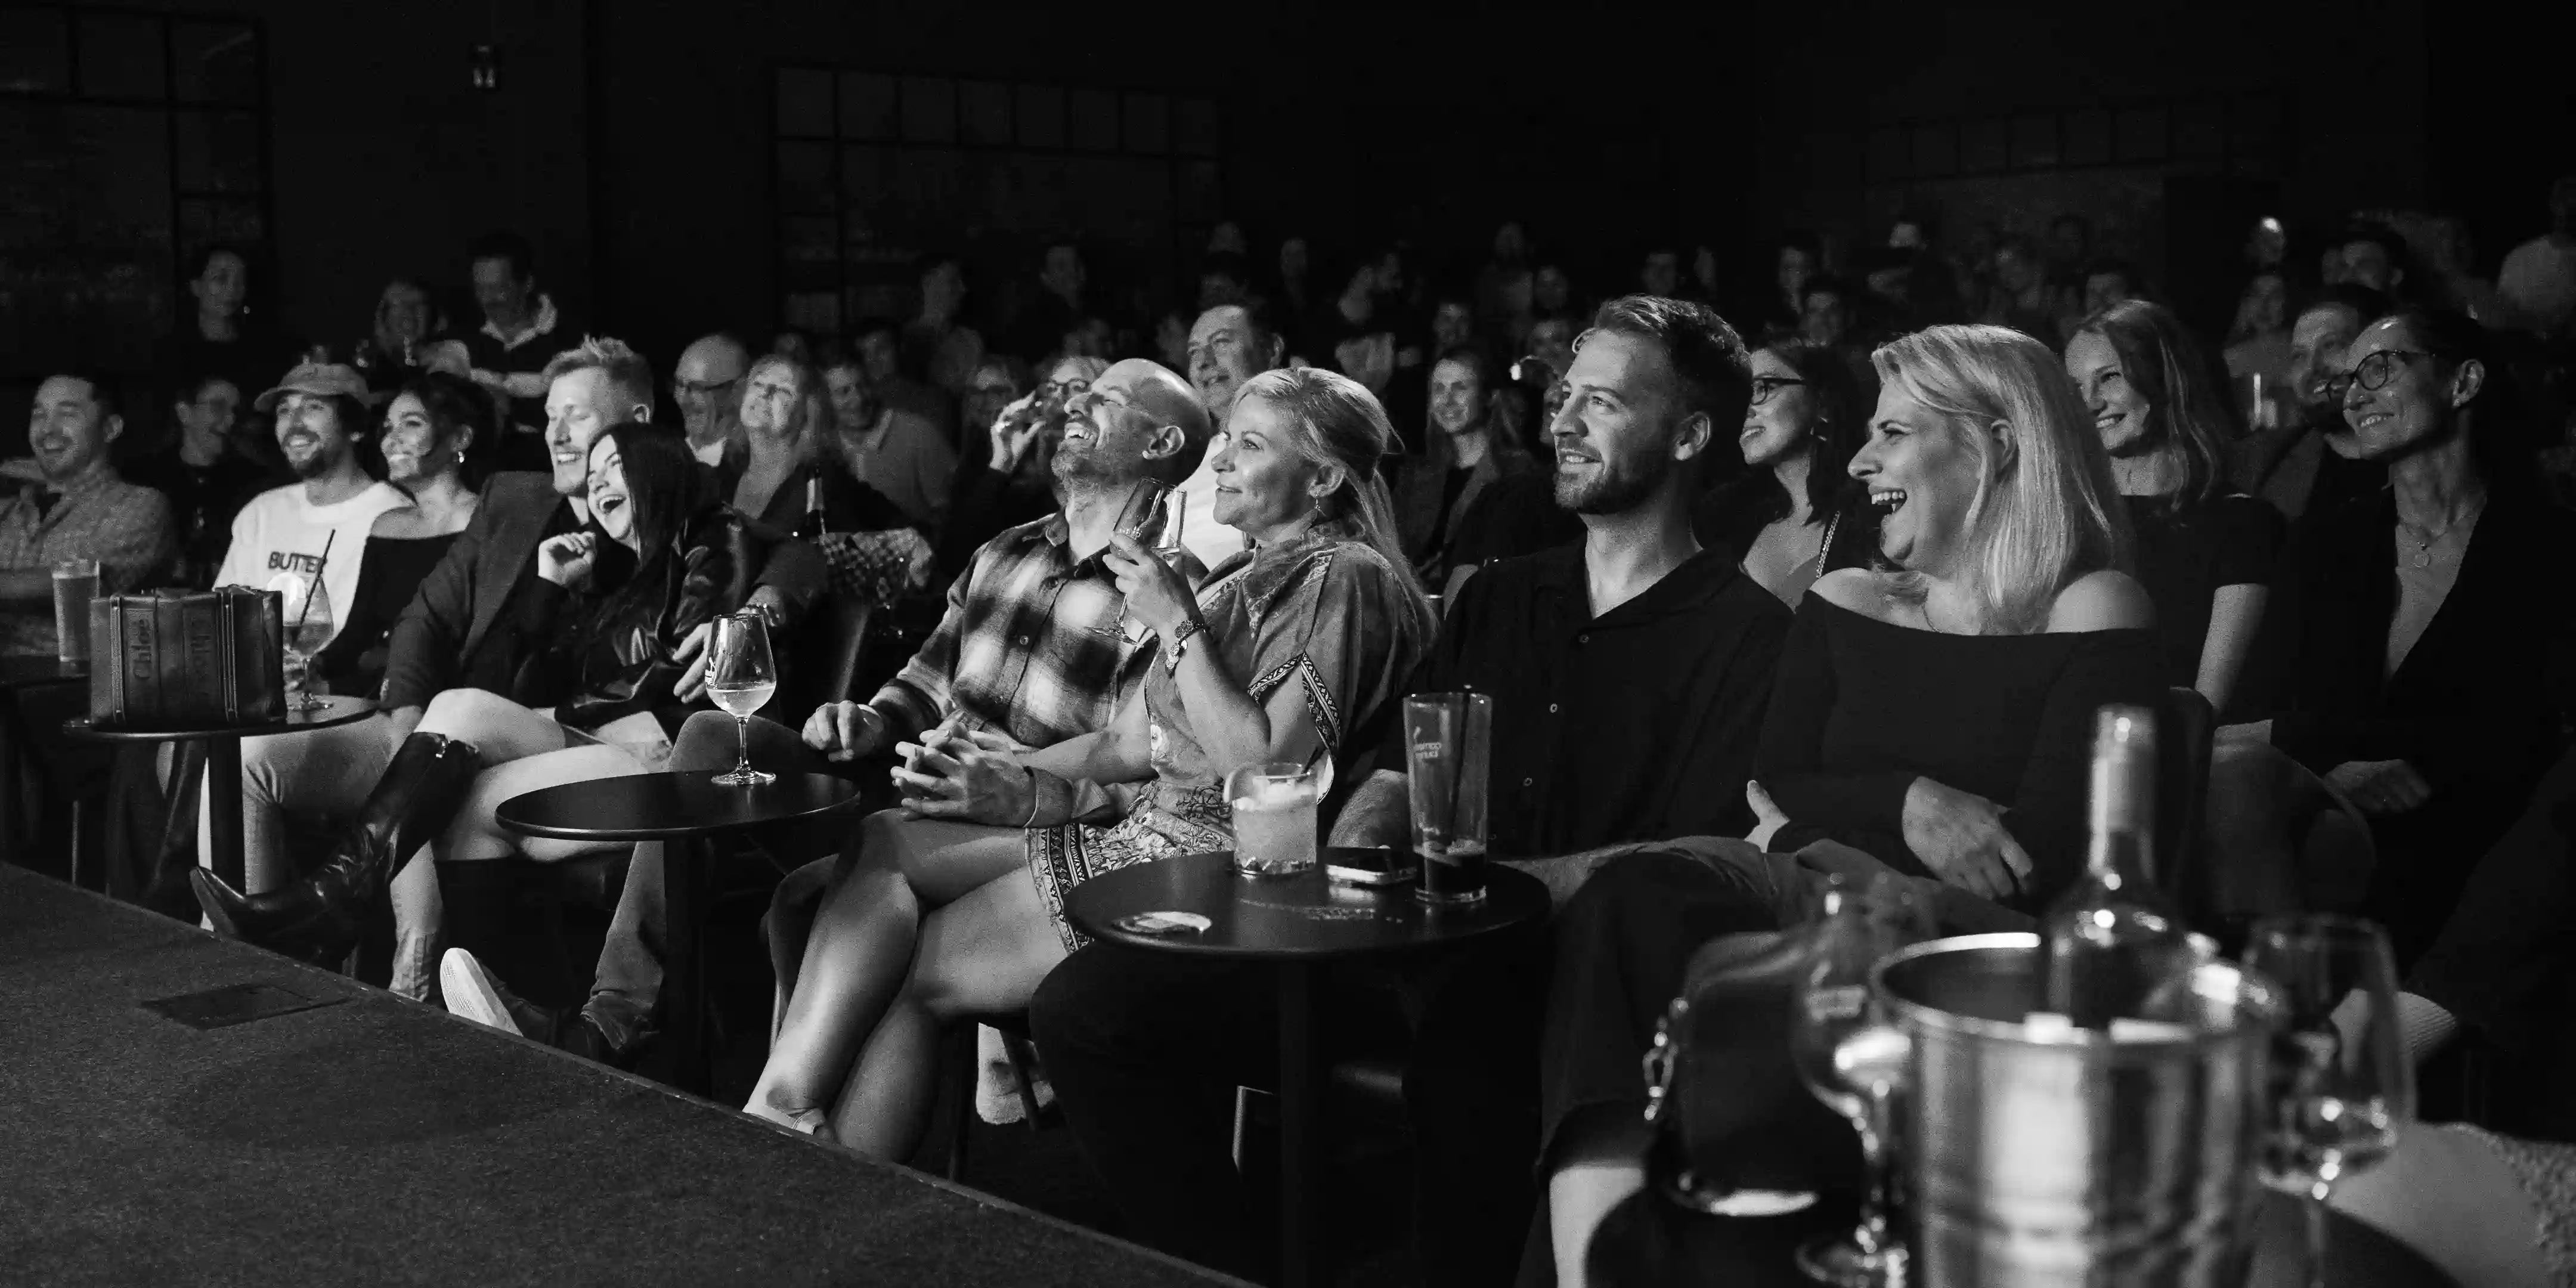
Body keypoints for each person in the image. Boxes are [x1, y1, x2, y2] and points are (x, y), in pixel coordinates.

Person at [1037, 296, 1793, 1287]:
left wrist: (1487, 894)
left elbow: (1679, 865)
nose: (1561, 420)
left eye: (1600, 405)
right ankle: (1232, 1269)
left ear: (1690, 435)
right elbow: (1396, 771)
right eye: (1565, 397)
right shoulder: (1506, 594)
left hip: (1567, 990)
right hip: (1409, 948)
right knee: (1090, 1007)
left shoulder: (1747, 635)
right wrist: (1345, 873)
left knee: (1468, 1074)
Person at [1538, 323, 2161, 1284]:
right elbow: (1773, 780)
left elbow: (2037, 861)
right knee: (1635, 904)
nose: (1862, 460)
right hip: (1813, 908)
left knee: (1644, 903)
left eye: (1895, 434)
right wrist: (1908, 803)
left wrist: (1808, 836)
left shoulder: (2095, 604)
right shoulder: (1849, 597)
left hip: (1968, 954)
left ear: (1995, 442)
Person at [745, 365, 1430, 1173]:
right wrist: (984, 777)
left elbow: (1264, 770)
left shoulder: (1345, 575)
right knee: (887, 837)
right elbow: (1122, 747)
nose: (1220, 463)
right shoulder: (1240, 577)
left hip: (1223, 868)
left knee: (917, 978)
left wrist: (1177, 627)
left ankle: (811, 1182)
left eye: (1248, 446)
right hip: (1150, 833)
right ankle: (783, 1108)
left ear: (1321, 477)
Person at [441, 357, 1174, 1067]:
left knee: (784, 848)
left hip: (1010, 821)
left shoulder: (1166, 589)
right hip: (907, 782)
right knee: (711, 734)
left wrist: (1020, 782)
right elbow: (924, 681)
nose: (1074, 407)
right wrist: (868, 717)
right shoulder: (1004, 551)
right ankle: (618, 1015)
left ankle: (619, 1036)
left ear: (1162, 443)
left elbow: (1129, 758)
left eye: (1103, 398)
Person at [188, 338, 828, 953]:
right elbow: (425, 622)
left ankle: (379, 946)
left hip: (566, 737)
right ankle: (266, 958)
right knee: (258, 755)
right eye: (548, 415)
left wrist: (761, 608)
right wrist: (409, 712)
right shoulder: (522, 505)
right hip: (448, 728)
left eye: (575, 417)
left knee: (453, 768)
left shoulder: (676, 496)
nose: (555, 434)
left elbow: (795, 552)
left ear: (637, 425)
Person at [2228, 308, 2576, 966]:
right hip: (2327, 815)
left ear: (2463, 382)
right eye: (2350, 379)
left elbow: (2527, 734)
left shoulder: (2549, 548)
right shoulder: (2328, 542)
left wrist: (2327, 744)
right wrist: (2336, 770)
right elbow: (2249, 718)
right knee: (2236, 778)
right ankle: (2286, 1028)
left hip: (2481, 834)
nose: (2355, 394)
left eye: (2380, 368)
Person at [2065, 301, 2286, 716]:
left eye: (2109, 378)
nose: (2090, 403)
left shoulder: (2243, 525)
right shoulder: (2067, 522)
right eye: (2075, 388)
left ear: (2166, 379)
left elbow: (2206, 711)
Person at [215, 363, 413, 663]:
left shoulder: (395, 518)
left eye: (313, 407)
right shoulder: (262, 512)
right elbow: (222, 621)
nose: (293, 423)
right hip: (256, 696)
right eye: (284, 410)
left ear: (356, 428)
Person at [311, 371, 489, 702]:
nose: (391, 440)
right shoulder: (387, 526)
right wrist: (310, 666)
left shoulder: (487, 522)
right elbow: (358, 634)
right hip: (380, 693)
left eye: (411, 424)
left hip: (456, 701)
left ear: (460, 439)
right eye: (388, 428)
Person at [0, 374, 178, 653]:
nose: (48, 429)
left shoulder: (139, 505)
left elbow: (84, 581)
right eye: (39, 414)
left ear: (110, 428)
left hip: (77, 687)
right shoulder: (11, 509)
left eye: (67, 414)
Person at [1691, 338, 1872, 605]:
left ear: (1821, 402)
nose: (1745, 411)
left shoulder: (1872, 514)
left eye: (1763, 388)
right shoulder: (1723, 515)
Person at [1389, 346, 1546, 590]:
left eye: (1460, 388)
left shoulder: (1517, 471)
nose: (1447, 400)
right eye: (1438, 389)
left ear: (1489, 397)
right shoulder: (1415, 474)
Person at [938, 355, 1110, 575]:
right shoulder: (1027, 498)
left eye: (1077, 387)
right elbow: (954, 557)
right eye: (1051, 388)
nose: (1060, 397)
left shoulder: (1114, 496)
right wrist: (1001, 464)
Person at [2232, 284, 2392, 519]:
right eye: (2299, 356)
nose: (2312, 367)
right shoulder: (2265, 466)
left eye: (2331, 345)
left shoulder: (2419, 459)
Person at [119, 373, 290, 590]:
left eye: (235, 411)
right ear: (184, 412)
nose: (230, 420)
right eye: (217, 407)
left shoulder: (256, 483)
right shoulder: (143, 478)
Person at [724, 353, 909, 535]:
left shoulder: (825, 485)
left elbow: (906, 536)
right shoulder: (724, 474)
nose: (765, 393)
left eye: (784, 391)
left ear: (806, 415)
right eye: (758, 384)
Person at [1169, 302, 1284, 571]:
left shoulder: (1303, 442)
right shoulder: (1189, 458)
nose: (1203, 362)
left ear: (1271, 350)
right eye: (1193, 352)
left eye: (1220, 342)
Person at [150, 245, 302, 441]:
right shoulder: (172, 350)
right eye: (221, 279)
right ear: (196, 286)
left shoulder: (262, 347)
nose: (232, 289)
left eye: (240, 281)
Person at [462, 231, 574, 466]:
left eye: (498, 289)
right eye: (481, 289)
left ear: (527, 284)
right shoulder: (466, 339)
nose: (488, 299)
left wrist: (506, 406)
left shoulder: (566, 340)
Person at [820, 346, 957, 531]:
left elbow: (951, 512)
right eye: (844, 392)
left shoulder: (918, 434)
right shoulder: (823, 446)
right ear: (825, 399)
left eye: (863, 386)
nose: (858, 399)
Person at [852, 318, 956, 444]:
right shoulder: (852, 402)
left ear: (899, 349)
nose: (872, 360)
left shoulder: (931, 401)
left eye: (881, 349)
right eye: (864, 353)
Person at [2497, 175, 2576, 338]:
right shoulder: (2519, 259)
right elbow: (2500, 315)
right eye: (2564, 199)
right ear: (2553, 204)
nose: (2569, 208)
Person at [904, 252, 987, 397]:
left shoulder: (971, 340)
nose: (963, 289)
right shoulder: (903, 339)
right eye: (953, 281)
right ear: (928, 284)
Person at [350, 277, 445, 397]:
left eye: (419, 304)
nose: (408, 312)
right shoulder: (367, 365)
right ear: (383, 315)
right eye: (398, 305)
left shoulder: (447, 360)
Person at [670, 333, 751, 470]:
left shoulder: (747, 469)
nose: (682, 400)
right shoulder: (669, 456)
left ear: (738, 391)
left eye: (697, 388)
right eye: (679, 385)